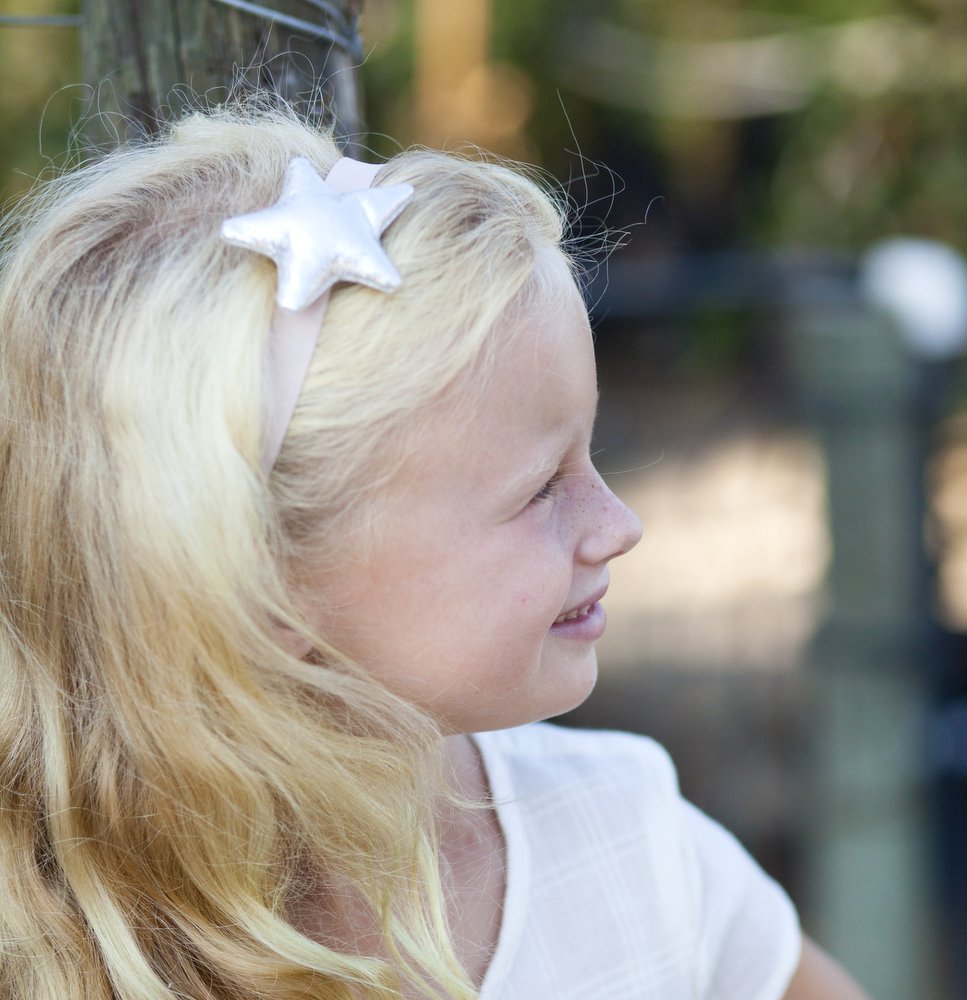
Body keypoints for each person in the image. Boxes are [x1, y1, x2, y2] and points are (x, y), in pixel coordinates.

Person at [0, 103, 869, 999]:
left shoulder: (629, 846)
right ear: (263, 587)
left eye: (590, 455)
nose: (618, 524)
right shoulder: (52, 940)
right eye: (539, 490)